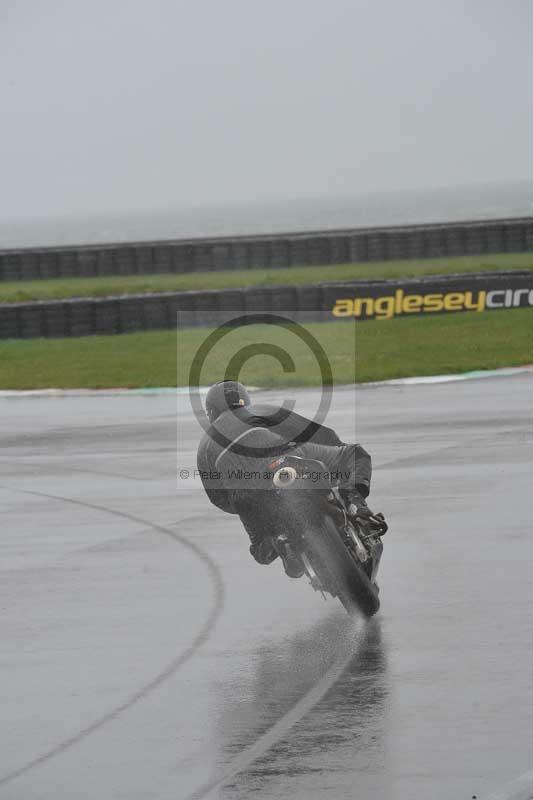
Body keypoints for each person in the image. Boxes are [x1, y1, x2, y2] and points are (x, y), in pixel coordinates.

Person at [196, 380, 385, 578]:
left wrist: (244, 504)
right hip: (285, 462)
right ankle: (355, 503)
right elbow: (319, 434)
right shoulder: (258, 411)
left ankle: (279, 542)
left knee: (260, 549)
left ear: (211, 411)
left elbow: (217, 497)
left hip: (245, 494)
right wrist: (338, 451)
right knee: (355, 454)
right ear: (245, 400)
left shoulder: (204, 447)